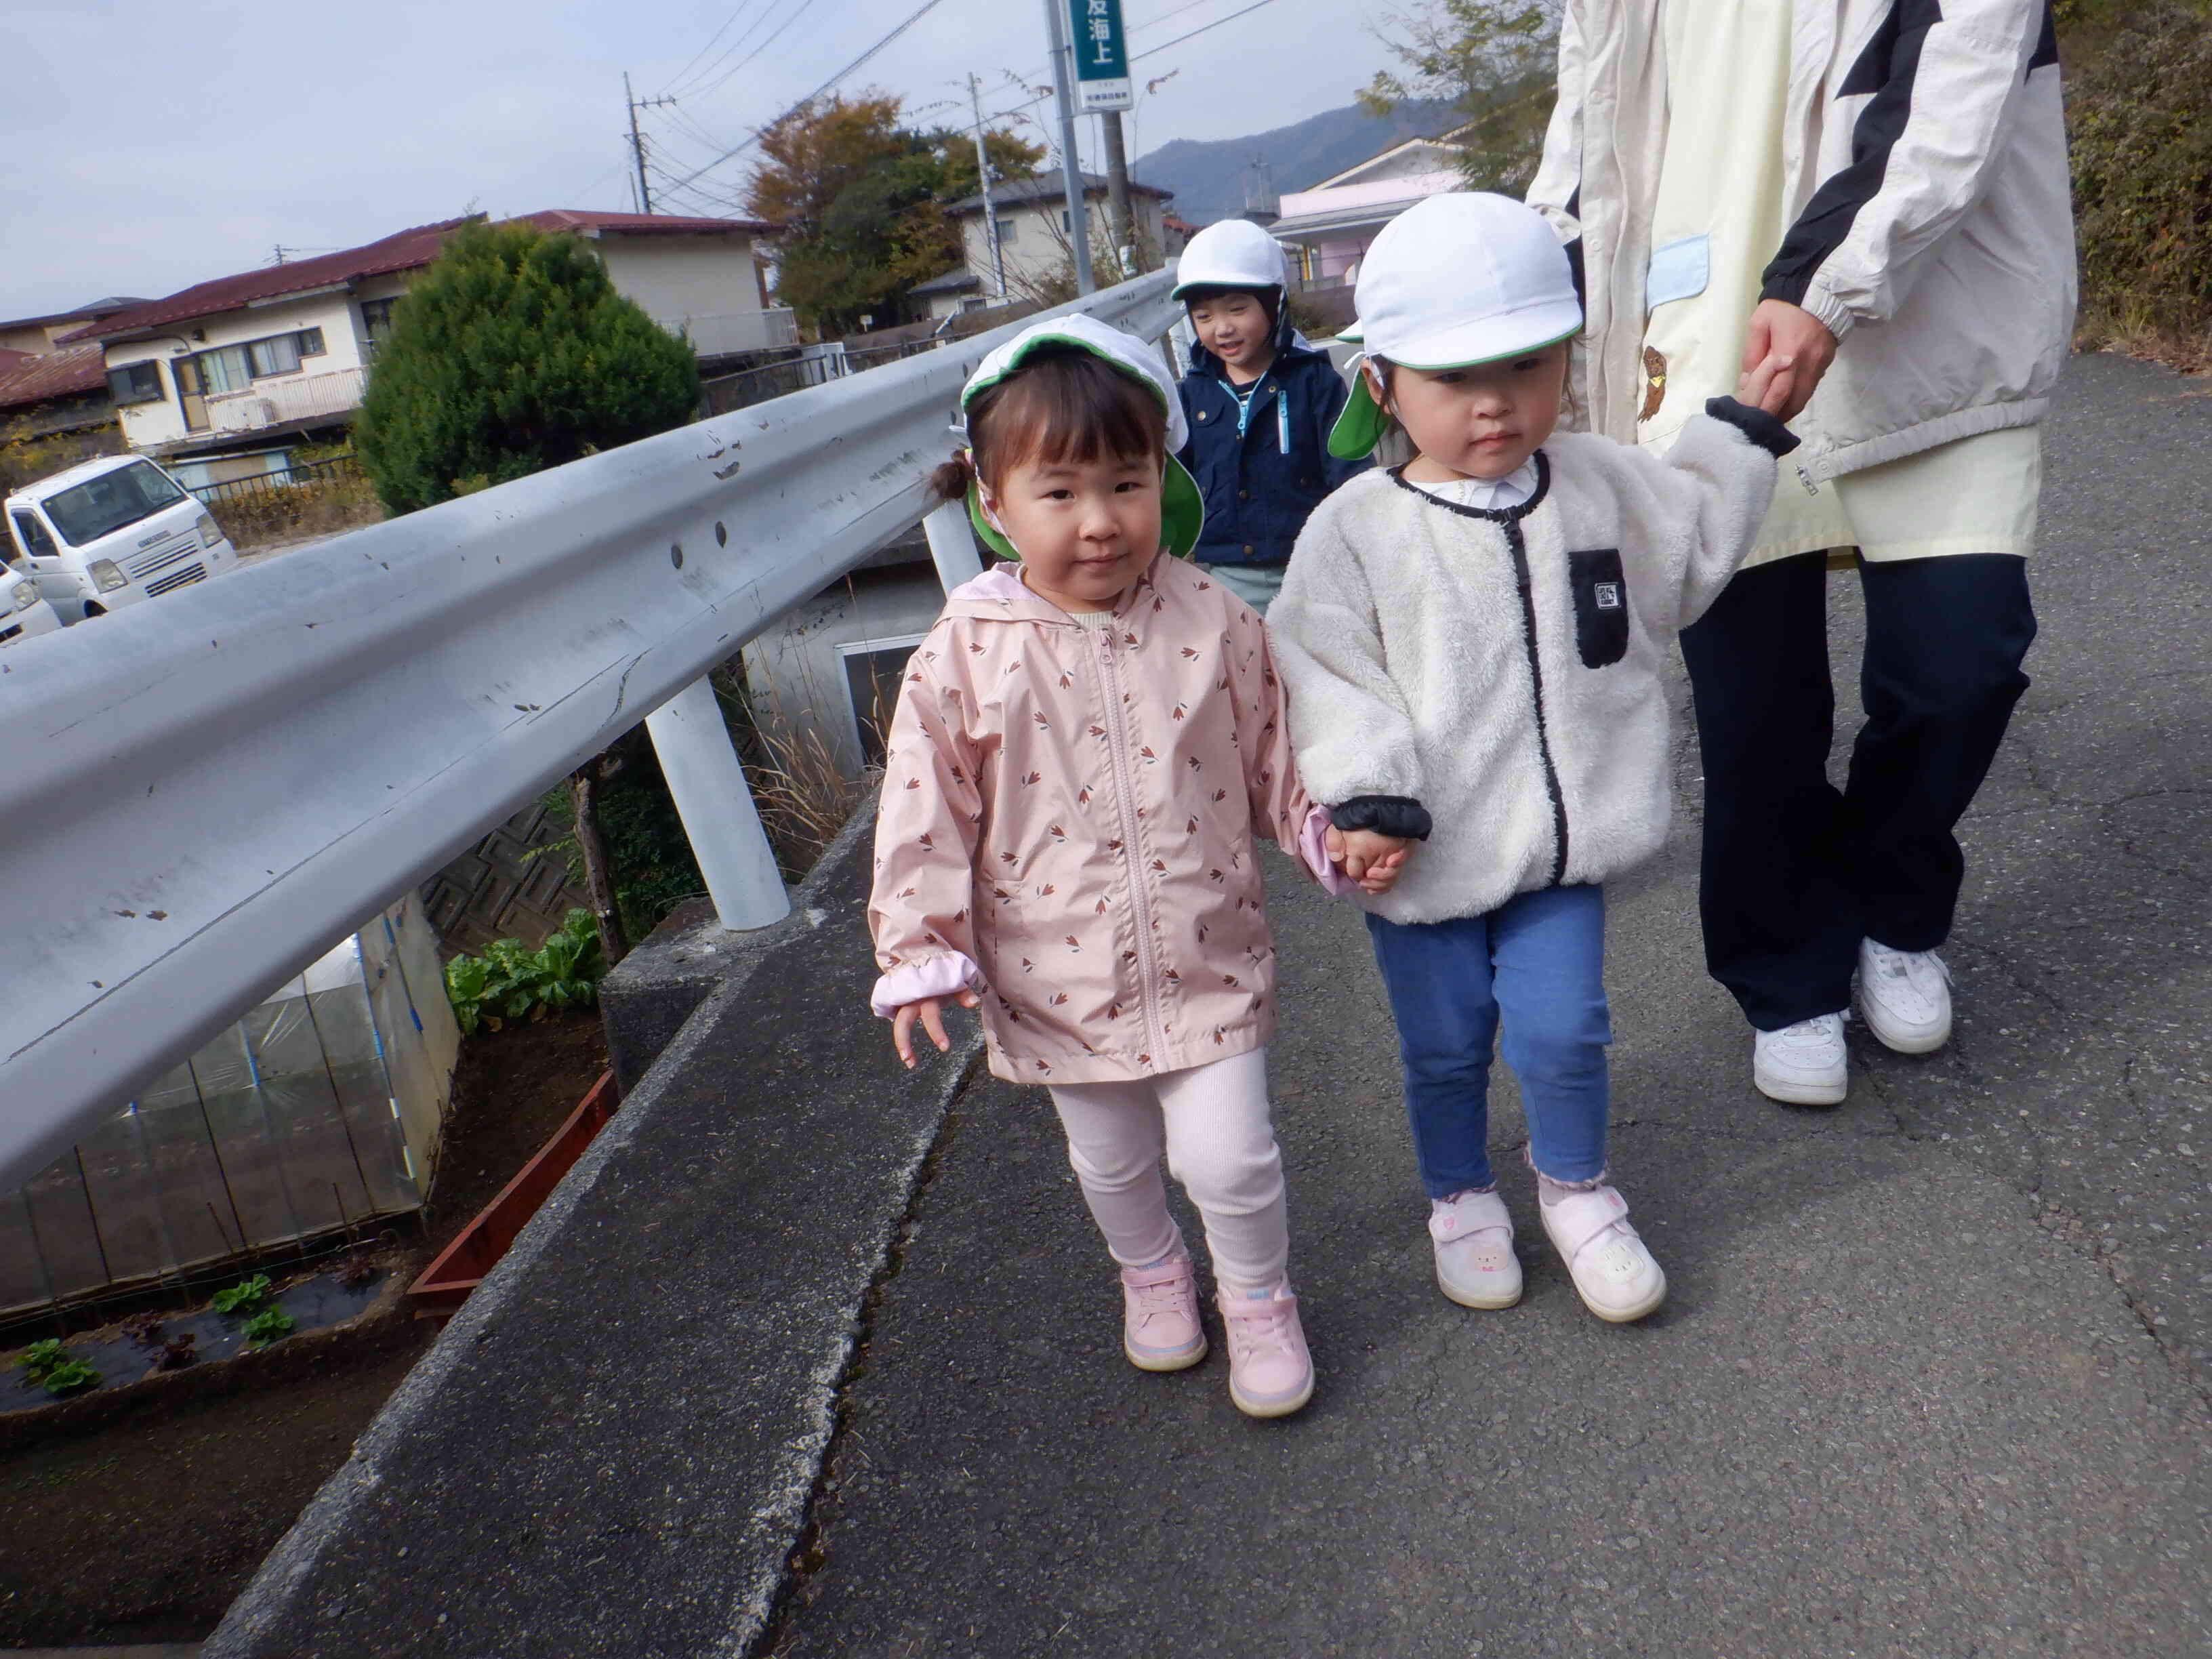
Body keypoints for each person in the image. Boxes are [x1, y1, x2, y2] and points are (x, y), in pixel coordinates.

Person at [1527, 0, 2074, 1105]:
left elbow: (1953, 78)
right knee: (1752, 711)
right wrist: (1529, 320)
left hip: (1931, 314)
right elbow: (1586, 143)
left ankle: (1892, 898)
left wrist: (1824, 282)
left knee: (1961, 665)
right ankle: (1784, 969)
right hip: (1703, 337)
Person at [1268, 193, 1801, 1323]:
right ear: (1379, 385)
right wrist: (1368, 797)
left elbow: (1694, 541)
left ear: (1565, 360)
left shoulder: (1599, 481)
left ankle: (1577, 1190)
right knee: (1445, 1042)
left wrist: (1740, 432)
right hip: (1413, 857)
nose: (1493, 402)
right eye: (1451, 377)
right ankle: (1459, 1196)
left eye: (1523, 365)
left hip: (1561, 849)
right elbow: (1321, 667)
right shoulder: (1355, 529)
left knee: (1564, 1027)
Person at [867, 314, 1393, 1419]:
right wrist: (917, 943)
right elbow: (924, 809)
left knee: (1229, 1157)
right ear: (991, 499)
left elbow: (1270, 755)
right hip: (1054, 979)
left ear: (1164, 475)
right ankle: (1151, 1272)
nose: (1099, 522)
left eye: (1126, 483)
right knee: (1107, 1163)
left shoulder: (1208, 617)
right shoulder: (964, 648)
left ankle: (1256, 1297)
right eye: (1058, 493)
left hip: (1205, 955)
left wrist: (1323, 829)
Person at [1172, 218, 1369, 615]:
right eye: (1204, 317)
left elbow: (1349, 473)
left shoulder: (1314, 381)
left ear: (1275, 305)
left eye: (1237, 309)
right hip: (1223, 577)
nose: (1222, 329)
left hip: (1310, 569)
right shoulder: (1192, 393)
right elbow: (1175, 480)